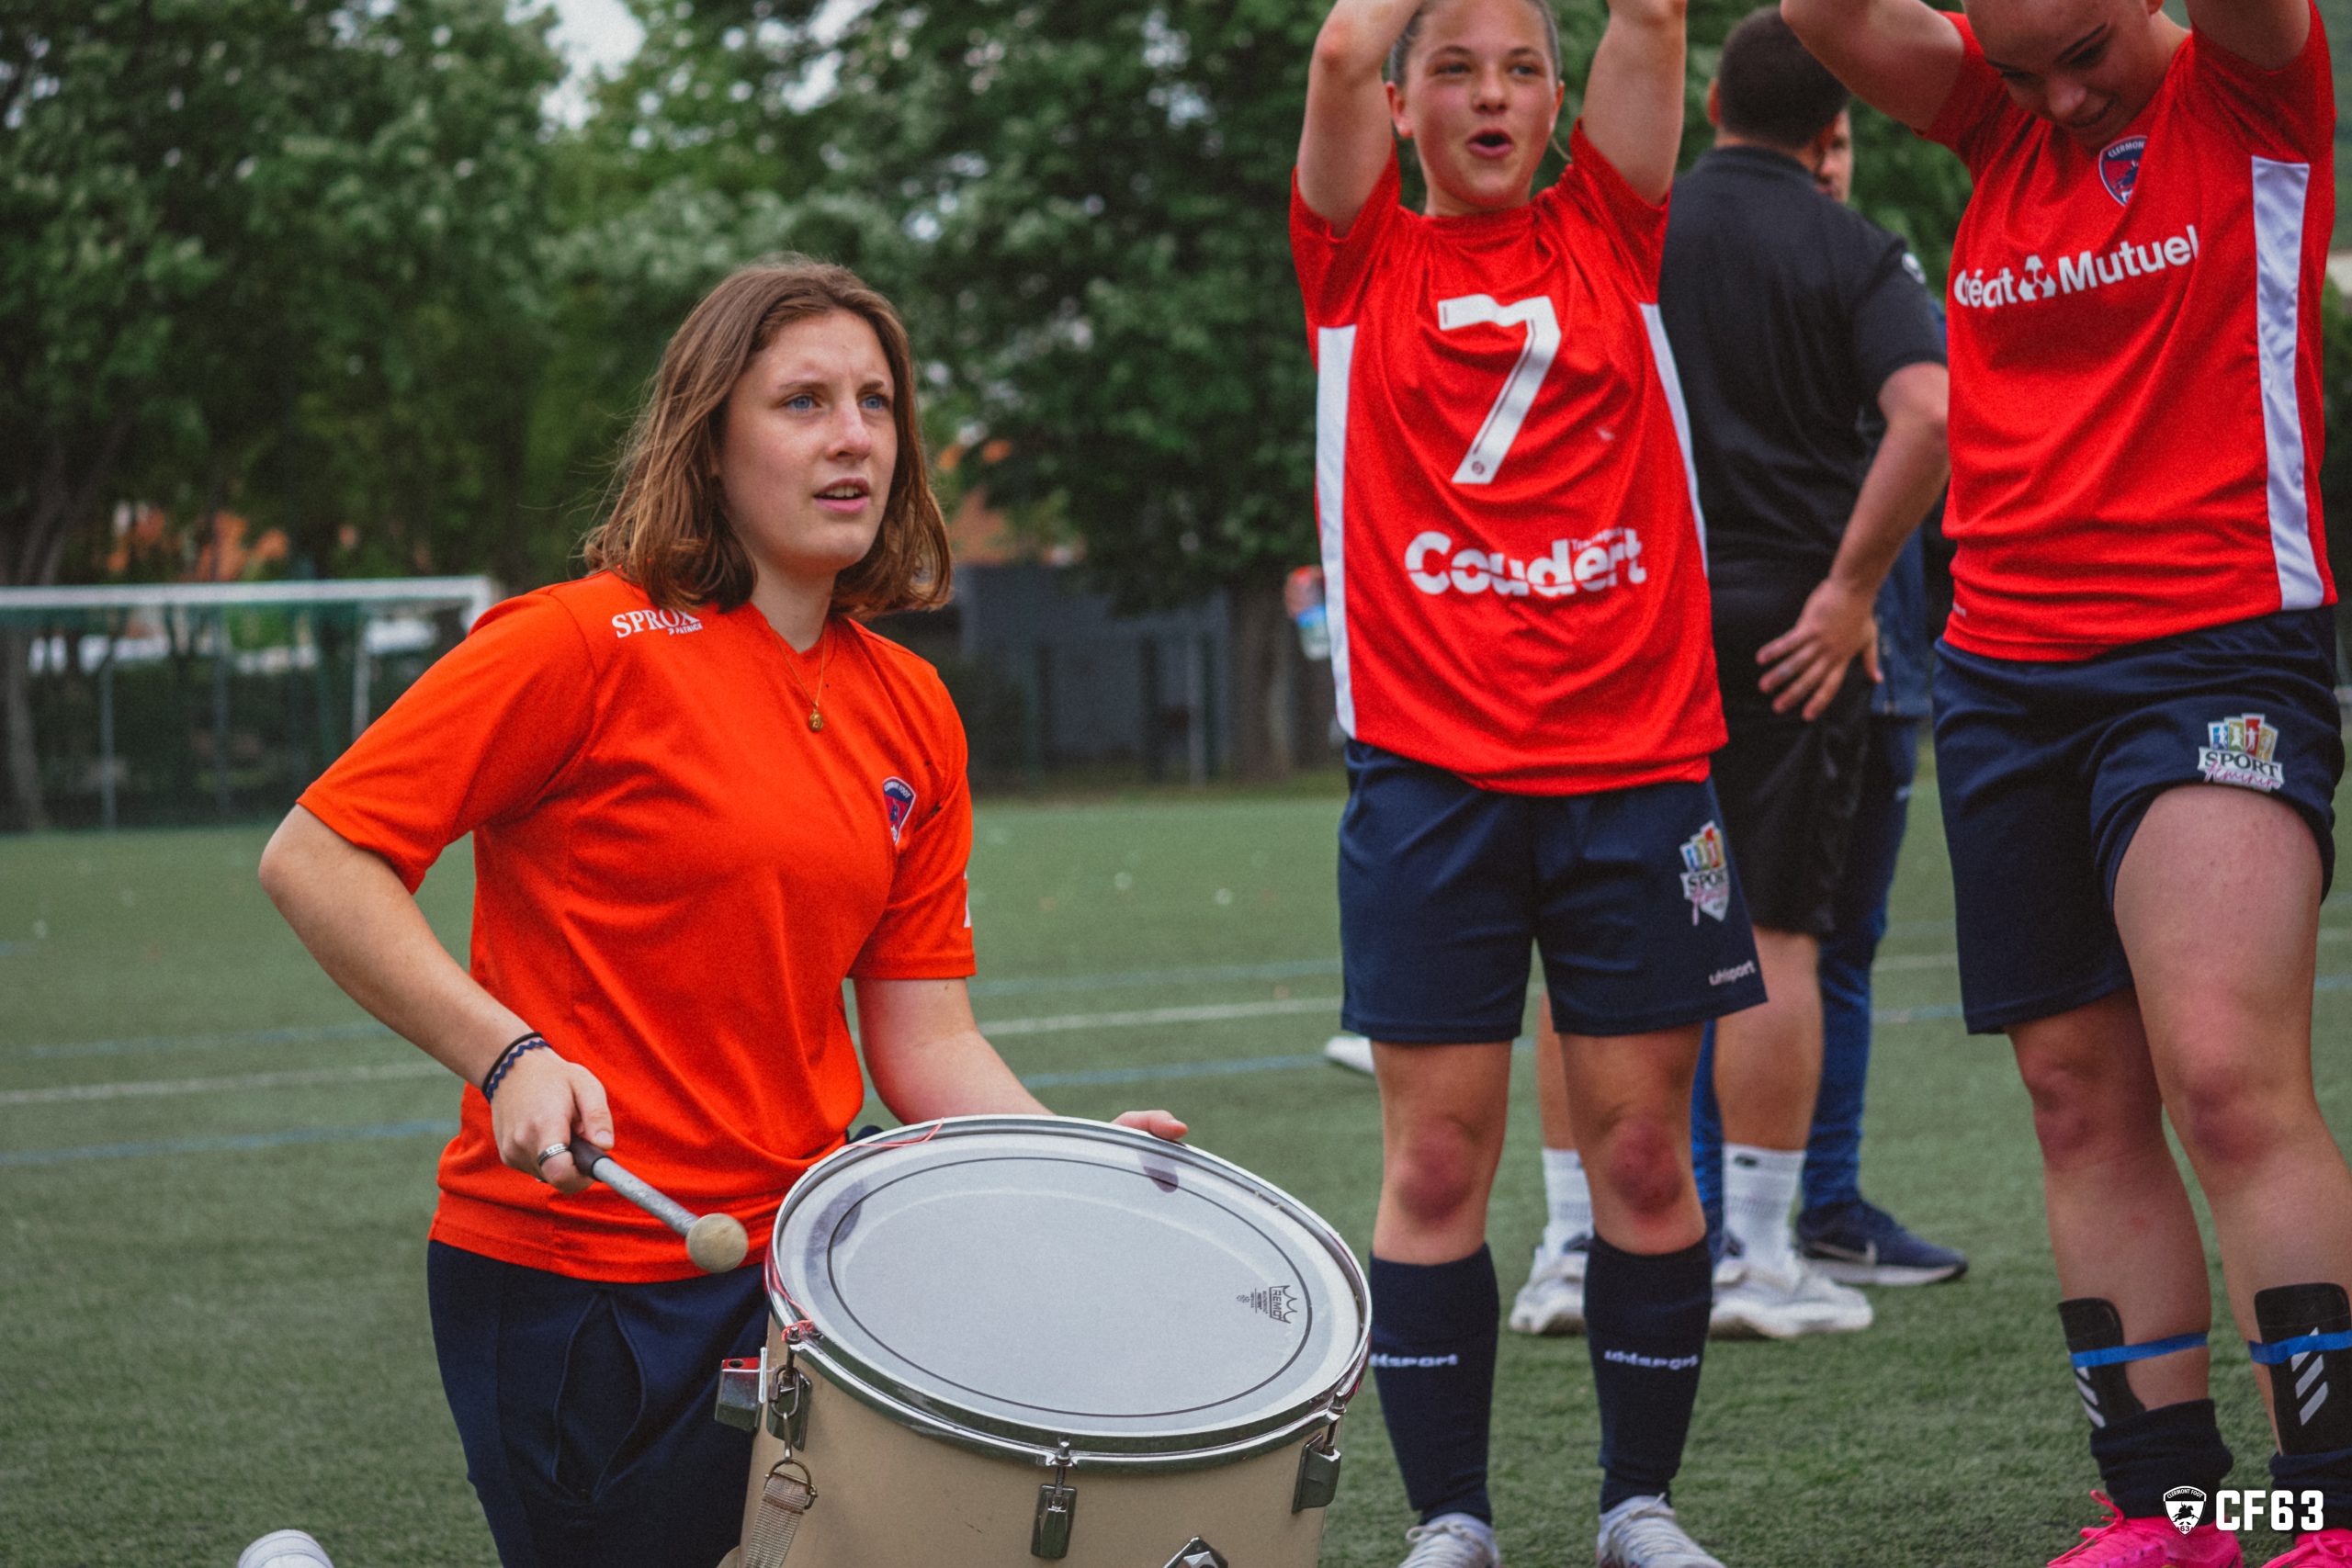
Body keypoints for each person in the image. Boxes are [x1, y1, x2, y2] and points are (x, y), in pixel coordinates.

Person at [256, 260, 1183, 1568]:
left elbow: (925, 1039)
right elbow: (319, 856)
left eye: (875, 402)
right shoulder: (576, 644)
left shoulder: (913, 707)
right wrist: (506, 1055)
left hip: (805, 1276)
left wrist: (1068, 1166)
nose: (853, 436)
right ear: (710, 439)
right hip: (579, 1276)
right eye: (803, 402)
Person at [1781, 0, 2352, 1557]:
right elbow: (1825, 18)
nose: (2063, 98)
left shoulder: (2250, 88)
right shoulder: (1995, 115)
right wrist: (2017, 70)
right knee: (2076, 1101)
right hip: (2006, 676)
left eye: (2087, 51)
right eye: (2024, 67)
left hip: (2215, 652)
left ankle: (2324, 1507)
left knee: (2223, 1076)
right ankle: (2172, 1511)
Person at [1293, 0, 1766, 1559]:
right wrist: (1382, 45)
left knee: (1640, 1151)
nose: (1491, 96)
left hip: (1640, 769)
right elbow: (1338, 51)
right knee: (1437, 1161)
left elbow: (1655, 16)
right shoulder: (1357, 259)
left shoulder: (1613, 231)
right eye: (1455, 69)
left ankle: (1640, 1508)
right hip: (1431, 783)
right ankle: (1454, 1523)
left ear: (1562, 100)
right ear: (1404, 104)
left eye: (1521, 70)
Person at [1509, 30, 1962, 1341]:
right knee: (1775, 938)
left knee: (1587, 935)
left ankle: (1568, 1248)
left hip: (1626, 609)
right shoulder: (1850, 246)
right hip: (1788, 629)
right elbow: (1933, 412)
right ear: (1833, 124)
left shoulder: (1624, 223)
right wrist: (1852, 590)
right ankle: (1759, 1258)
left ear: (1709, 102)